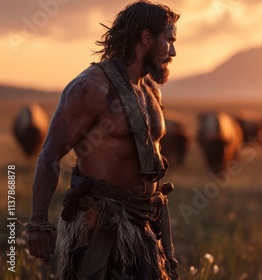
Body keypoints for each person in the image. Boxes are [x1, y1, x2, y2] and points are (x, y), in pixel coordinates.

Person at [26, 1, 180, 279]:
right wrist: (38, 224)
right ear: (146, 38)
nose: (173, 51)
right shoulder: (91, 88)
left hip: (144, 227)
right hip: (100, 229)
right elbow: (49, 155)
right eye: (168, 41)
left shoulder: (150, 91)